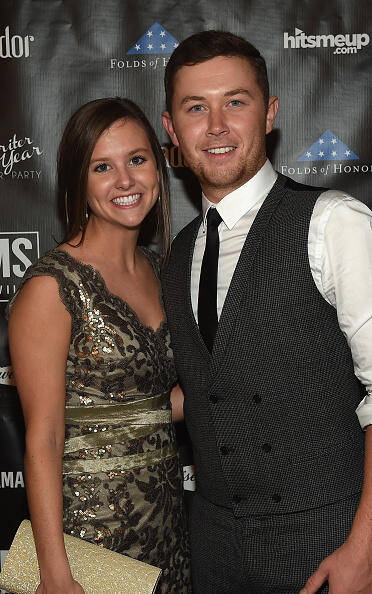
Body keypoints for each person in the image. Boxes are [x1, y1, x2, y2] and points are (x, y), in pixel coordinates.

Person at [161, 30, 372, 594]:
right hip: (212, 555)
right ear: (171, 129)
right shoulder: (177, 254)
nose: (217, 126)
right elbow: (208, 389)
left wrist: (364, 549)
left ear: (270, 112)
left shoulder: (334, 223)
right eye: (195, 108)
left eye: (236, 101)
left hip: (327, 548)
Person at [8, 97, 190, 594]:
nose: (125, 180)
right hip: (90, 537)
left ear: (158, 165)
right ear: (78, 182)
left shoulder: (161, 272)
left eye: (137, 159)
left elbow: (151, 407)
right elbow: (43, 437)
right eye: (102, 167)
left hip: (168, 528)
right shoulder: (52, 288)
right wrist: (55, 572)